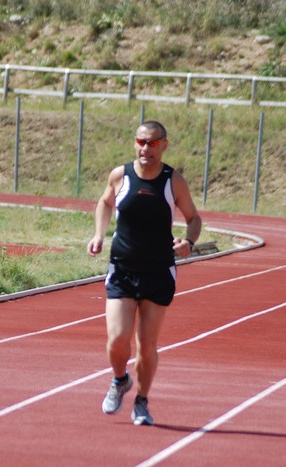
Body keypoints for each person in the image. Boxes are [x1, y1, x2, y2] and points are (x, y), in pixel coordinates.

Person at [87, 120, 201, 426]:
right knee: (117, 340)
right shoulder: (120, 175)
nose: (145, 148)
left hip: (158, 271)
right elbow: (104, 202)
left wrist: (189, 241)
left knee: (147, 346)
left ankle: (142, 401)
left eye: (152, 143)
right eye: (141, 142)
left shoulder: (172, 181)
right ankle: (119, 379)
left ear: (164, 144)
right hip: (123, 268)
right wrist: (99, 234)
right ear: (134, 143)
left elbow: (193, 218)